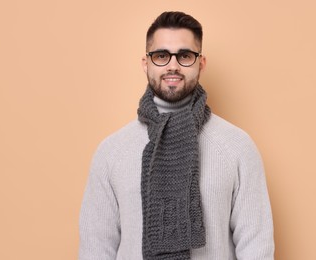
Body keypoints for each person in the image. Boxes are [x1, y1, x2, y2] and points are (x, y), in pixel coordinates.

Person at [79, 11, 274, 260]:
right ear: (145, 63)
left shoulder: (237, 147)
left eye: (184, 56)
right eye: (161, 56)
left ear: (200, 63)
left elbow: (257, 246)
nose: (173, 65)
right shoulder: (112, 151)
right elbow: (96, 248)